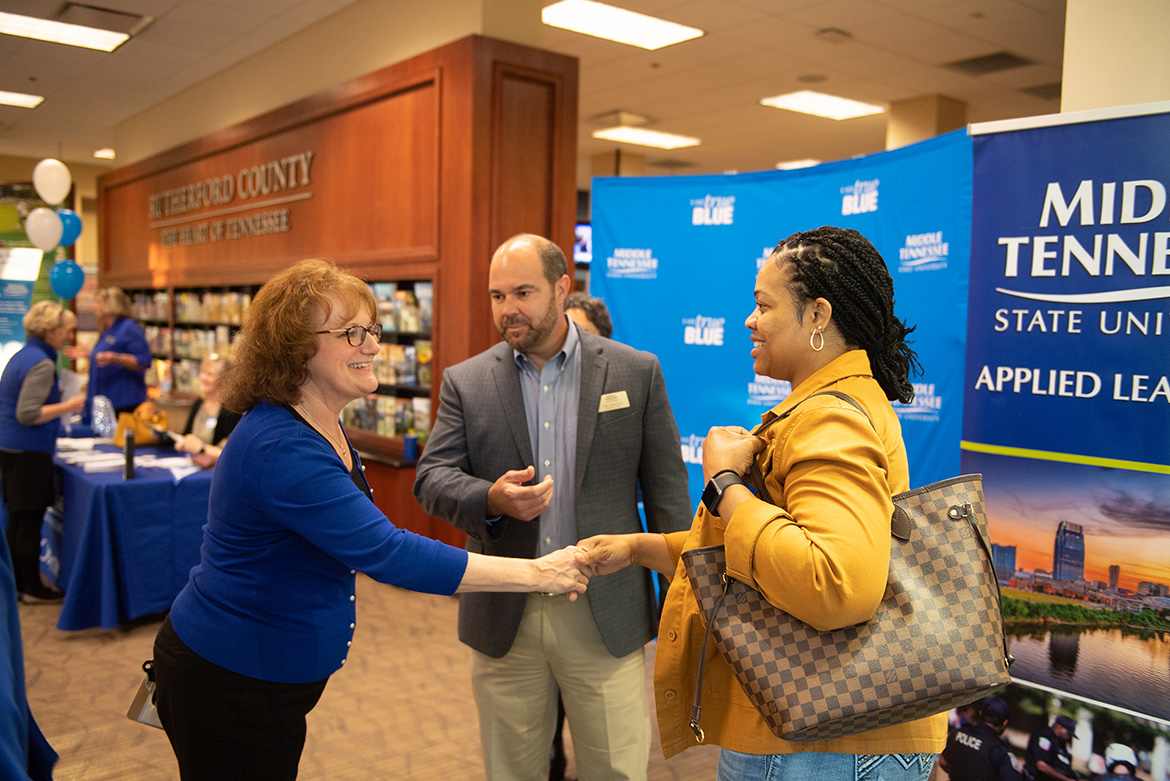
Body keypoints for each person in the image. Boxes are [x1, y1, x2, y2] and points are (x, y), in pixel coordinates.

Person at [150, 259, 590, 781]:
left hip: (262, 674)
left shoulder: (319, 424)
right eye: (352, 332)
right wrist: (540, 574)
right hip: (232, 677)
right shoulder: (281, 446)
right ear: (296, 349)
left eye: (373, 330)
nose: (374, 346)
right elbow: (389, 552)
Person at [575, 226, 944, 780]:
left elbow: (835, 582)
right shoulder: (831, 407)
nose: (750, 320)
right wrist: (637, 548)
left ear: (817, 316)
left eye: (763, 305)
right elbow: (765, 558)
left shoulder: (830, 419)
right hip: (824, 731)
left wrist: (726, 484)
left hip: (818, 740)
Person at [413, 233, 692, 780]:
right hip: (506, 611)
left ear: (562, 288)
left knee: (616, 769)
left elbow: (667, 496)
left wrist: (682, 603)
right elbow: (431, 479)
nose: (508, 309)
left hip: (603, 611)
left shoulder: (636, 372)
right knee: (511, 770)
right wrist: (489, 498)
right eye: (497, 296)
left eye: (523, 292)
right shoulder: (466, 382)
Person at [0, 301, 86, 603]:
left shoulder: (23, 355)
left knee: (17, 521)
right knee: (29, 522)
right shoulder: (43, 363)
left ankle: (17, 585)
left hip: (11, 447)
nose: (68, 336)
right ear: (50, 331)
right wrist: (68, 406)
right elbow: (28, 413)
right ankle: (32, 589)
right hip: (28, 452)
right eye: (65, 330)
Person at [65, 286, 151, 419]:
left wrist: (116, 358)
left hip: (123, 401)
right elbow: (104, 354)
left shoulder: (128, 328)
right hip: (103, 400)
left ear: (110, 304)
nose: (95, 307)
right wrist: (89, 354)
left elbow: (143, 360)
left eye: (98, 302)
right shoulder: (108, 329)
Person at [171, 355, 241, 467]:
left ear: (223, 379)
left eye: (209, 374)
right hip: (193, 464)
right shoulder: (198, 403)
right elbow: (186, 434)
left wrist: (201, 448)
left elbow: (230, 453)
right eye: (202, 372)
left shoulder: (231, 410)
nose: (202, 377)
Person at [939, 696, 1021, 781]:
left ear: (980, 713)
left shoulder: (958, 733)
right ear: (1005, 723)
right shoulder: (999, 750)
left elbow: (943, 761)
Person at [1024, 715, 1078, 781]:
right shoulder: (1044, 737)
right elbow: (1041, 766)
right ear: (1060, 727)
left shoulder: (1061, 744)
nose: (1068, 737)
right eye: (1068, 734)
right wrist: (1066, 779)